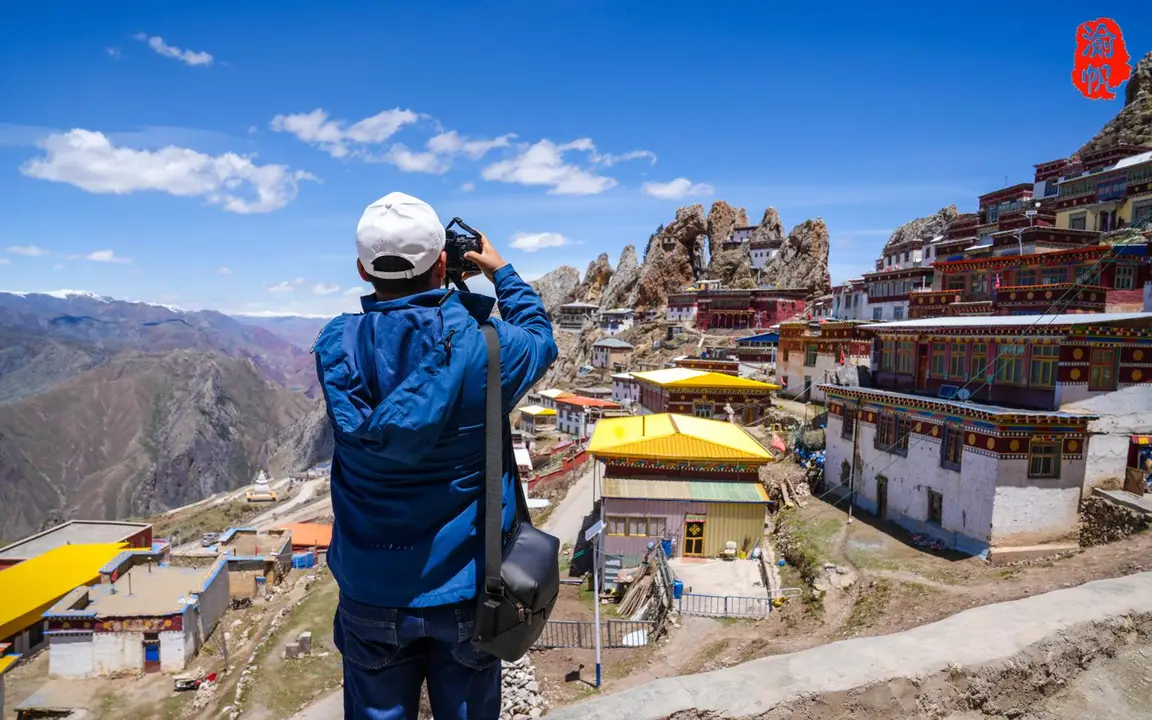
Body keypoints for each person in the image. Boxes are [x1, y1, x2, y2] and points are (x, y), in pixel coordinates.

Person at [313, 192, 558, 719]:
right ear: (443, 262)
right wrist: (501, 274)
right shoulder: (489, 349)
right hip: (469, 589)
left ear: (361, 268)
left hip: (370, 588)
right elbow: (541, 337)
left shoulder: (335, 345)